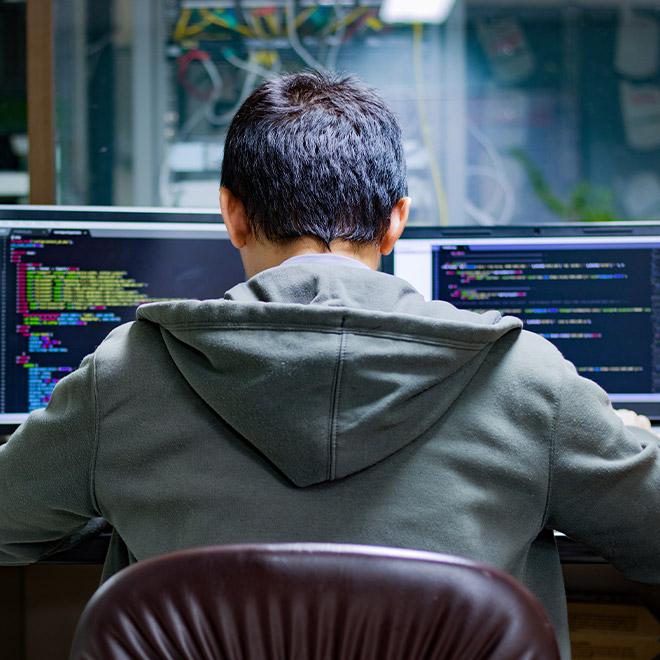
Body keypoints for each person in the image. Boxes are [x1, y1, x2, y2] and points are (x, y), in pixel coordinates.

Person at [1, 72, 658, 658]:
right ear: (396, 221)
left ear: (231, 214)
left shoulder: (125, 378)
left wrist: (110, 481)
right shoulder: (526, 381)